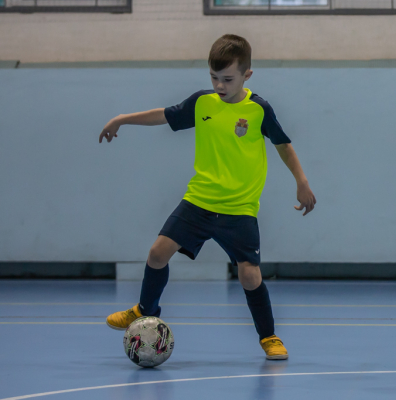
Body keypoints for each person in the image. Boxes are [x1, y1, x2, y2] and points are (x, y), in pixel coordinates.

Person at [99, 34, 316, 360]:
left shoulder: (258, 109)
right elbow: (164, 115)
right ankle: (145, 310)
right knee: (157, 253)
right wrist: (122, 119)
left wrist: (301, 181)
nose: (219, 85)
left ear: (247, 75)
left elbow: (283, 145)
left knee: (250, 276)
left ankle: (269, 336)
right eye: (214, 77)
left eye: (227, 79)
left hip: (239, 209)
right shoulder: (202, 103)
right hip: (199, 201)